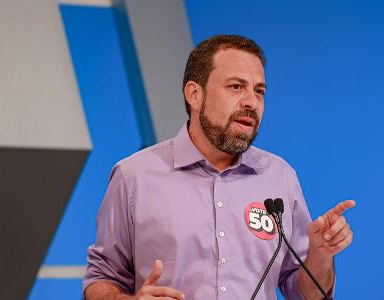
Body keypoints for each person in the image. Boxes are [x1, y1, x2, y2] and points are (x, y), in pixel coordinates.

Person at [83, 34, 354, 300]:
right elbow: (101, 280)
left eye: (259, 91)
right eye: (236, 87)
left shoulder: (281, 178)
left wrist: (321, 255)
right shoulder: (134, 177)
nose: (251, 102)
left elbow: (305, 294)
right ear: (194, 95)